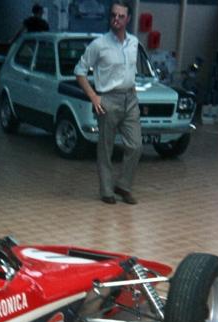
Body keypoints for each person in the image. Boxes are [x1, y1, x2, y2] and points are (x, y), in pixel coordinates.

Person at [74, 0, 141, 205]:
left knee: (136, 146)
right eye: (113, 15)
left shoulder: (134, 42)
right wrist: (94, 96)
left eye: (121, 16)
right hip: (108, 99)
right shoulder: (99, 45)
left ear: (128, 19)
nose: (116, 19)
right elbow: (79, 71)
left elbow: (132, 70)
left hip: (130, 99)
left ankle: (123, 186)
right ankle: (106, 190)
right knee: (106, 148)